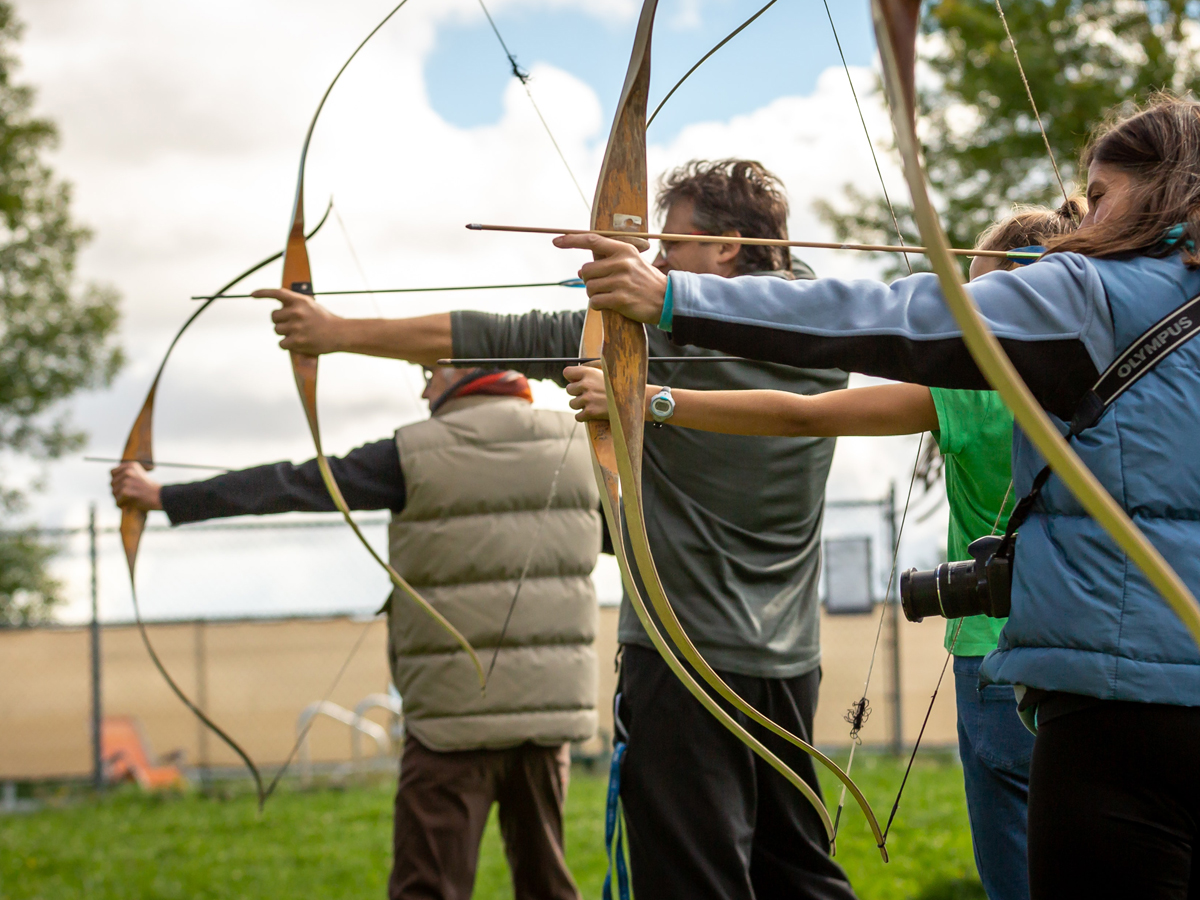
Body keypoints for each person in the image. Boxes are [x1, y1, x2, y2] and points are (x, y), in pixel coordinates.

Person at [563, 96, 1200, 900]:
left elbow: (887, 313)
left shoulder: (1090, 293)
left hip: (1116, 712)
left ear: (1165, 189)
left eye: (1101, 196)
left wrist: (676, 299)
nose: (1085, 223)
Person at [254, 159, 859, 900]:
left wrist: (335, 331)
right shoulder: (829, 332)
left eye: (672, 245)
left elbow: (490, 335)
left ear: (728, 246)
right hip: (791, 662)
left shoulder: (652, 346)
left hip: (681, 665)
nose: (657, 261)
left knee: (691, 880)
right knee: (798, 872)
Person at [111, 365, 601, 900]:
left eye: (430, 372)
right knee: (546, 885)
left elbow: (294, 483)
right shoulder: (579, 446)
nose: (423, 388)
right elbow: (633, 543)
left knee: (427, 888)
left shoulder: (414, 451)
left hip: (450, 722)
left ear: (466, 367)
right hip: (548, 720)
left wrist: (164, 496)